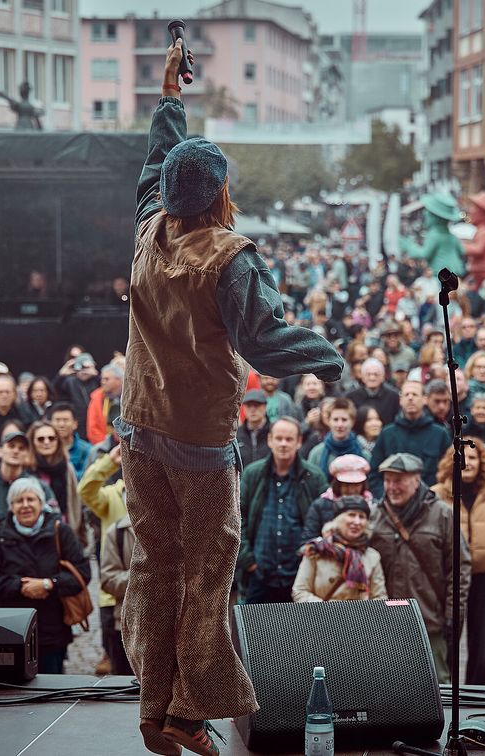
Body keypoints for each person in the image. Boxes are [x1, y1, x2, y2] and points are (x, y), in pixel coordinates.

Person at [115, 40, 343, 755]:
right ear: (219, 192)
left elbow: (157, 164)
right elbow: (268, 343)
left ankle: (155, 709)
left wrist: (169, 97)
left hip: (138, 431)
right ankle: (188, 711)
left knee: (155, 567)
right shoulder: (228, 256)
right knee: (208, 573)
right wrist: (332, 358)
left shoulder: (150, 229)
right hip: (200, 445)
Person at [368, 453, 471, 683]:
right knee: (388, 686)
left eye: (399, 481)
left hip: (429, 622)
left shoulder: (443, 514)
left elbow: (460, 570)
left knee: (437, 687)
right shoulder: (375, 516)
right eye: (388, 480)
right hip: (385, 623)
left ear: (416, 480)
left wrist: (453, 615)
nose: (392, 487)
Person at [431, 439, 485, 686]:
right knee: (448, 633)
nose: (467, 462)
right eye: (462, 457)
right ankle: (446, 688)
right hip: (450, 578)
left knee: (484, 638)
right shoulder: (437, 494)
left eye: (473, 457)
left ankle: (478, 690)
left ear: (483, 462)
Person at [0, 477, 92, 674]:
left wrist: (49, 584)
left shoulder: (60, 531)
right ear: (11, 506)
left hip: (52, 630)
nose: (25, 505)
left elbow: (82, 574)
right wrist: (20, 586)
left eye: (31, 499)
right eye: (18, 501)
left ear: (41, 503)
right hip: (10, 630)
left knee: (51, 685)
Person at [238, 417, 329, 604]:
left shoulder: (314, 477)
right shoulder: (253, 474)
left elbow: (325, 522)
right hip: (259, 573)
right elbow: (238, 518)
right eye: (278, 438)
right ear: (270, 440)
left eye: (289, 439)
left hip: (300, 575)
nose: (283, 444)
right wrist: (248, 561)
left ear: (299, 442)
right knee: (254, 630)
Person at [78, 443, 130, 676]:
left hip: (150, 593)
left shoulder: (159, 494)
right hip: (114, 595)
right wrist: (109, 461)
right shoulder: (113, 495)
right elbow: (86, 490)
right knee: (117, 655)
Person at [292, 495, 388, 602]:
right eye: (351, 515)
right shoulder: (317, 550)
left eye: (362, 517)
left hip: (358, 617)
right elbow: (300, 591)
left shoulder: (372, 556)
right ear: (338, 519)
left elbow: (380, 597)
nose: (357, 522)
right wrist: (334, 612)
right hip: (322, 616)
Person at [367, 381, 452, 497]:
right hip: (393, 503)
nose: (410, 398)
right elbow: (374, 474)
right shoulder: (387, 434)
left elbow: (449, 472)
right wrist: (386, 498)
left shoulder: (440, 434)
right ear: (400, 400)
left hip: (430, 503)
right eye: (406, 395)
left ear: (424, 400)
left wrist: (434, 497)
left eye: (415, 394)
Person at [0, 431, 55, 529]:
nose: (16, 451)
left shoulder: (40, 487)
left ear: (27, 454)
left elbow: (55, 520)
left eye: (21, 448)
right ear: (0, 451)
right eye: (11, 446)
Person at [85, 362, 123, 446]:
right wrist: (106, 445)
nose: (102, 382)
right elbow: (92, 428)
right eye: (102, 379)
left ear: (119, 379)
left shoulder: (130, 395)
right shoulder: (96, 398)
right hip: (104, 443)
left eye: (106, 379)